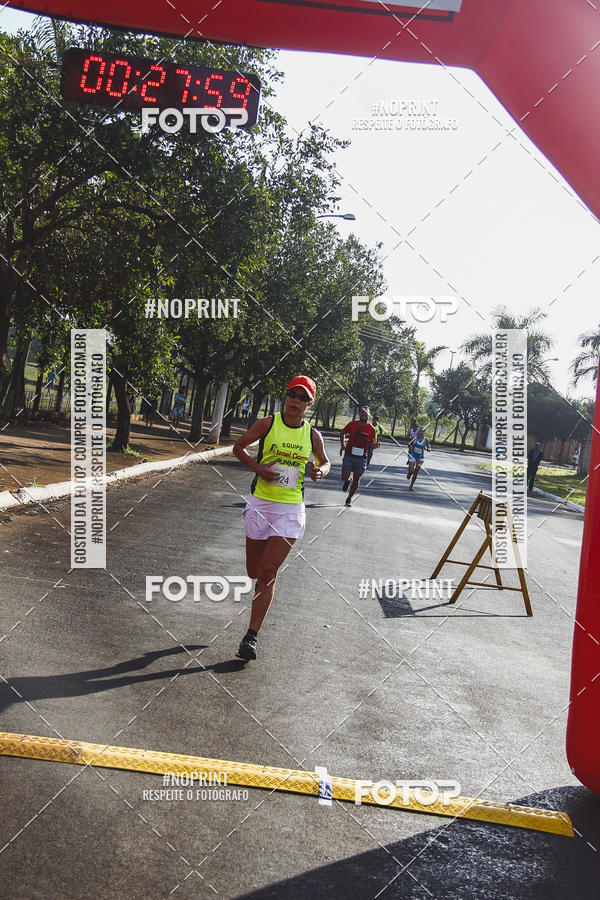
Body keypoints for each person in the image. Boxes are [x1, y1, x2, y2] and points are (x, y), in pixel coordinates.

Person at [233, 375, 330, 661]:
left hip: (290, 508)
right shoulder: (268, 424)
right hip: (261, 504)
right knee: (254, 571)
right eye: (292, 395)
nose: (295, 401)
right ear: (286, 397)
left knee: (268, 572)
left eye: (302, 398)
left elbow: (325, 462)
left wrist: (320, 471)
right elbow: (238, 447)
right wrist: (258, 469)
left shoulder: (312, 435)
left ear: (310, 404)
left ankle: (251, 636)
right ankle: (259, 586)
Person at [340, 407, 377, 507]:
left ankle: (349, 498)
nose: (363, 414)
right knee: (344, 476)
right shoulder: (352, 424)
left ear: (369, 415)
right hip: (349, 454)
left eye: (365, 413)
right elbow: (342, 432)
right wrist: (343, 445)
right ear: (359, 414)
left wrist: (374, 446)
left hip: (361, 458)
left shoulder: (372, 429)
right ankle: (348, 480)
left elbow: (372, 445)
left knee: (357, 479)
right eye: (361, 412)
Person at [407, 426, 430, 491]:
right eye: (420, 431)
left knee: (416, 471)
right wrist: (410, 447)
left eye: (423, 431)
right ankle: (409, 473)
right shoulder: (414, 438)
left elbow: (429, 446)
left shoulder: (426, 440)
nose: (421, 432)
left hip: (420, 457)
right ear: (418, 432)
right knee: (412, 471)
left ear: (424, 432)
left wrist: (428, 449)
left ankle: (411, 486)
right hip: (412, 455)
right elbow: (409, 444)